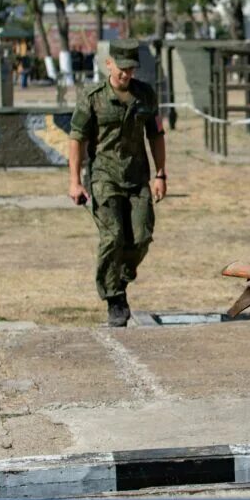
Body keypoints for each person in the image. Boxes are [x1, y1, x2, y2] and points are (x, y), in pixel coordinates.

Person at [67, 40, 167, 328]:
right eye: (121, 68)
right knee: (112, 238)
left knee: (142, 236)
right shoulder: (93, 97)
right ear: (109, 64)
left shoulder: (145, 95)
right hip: (104, 177)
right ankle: (114, 298)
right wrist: (74, 182)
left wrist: (161, 174)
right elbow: (77, 139)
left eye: (131, 69)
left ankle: (121, 276)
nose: (126, 74)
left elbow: (156, 135)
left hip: (137, 177)